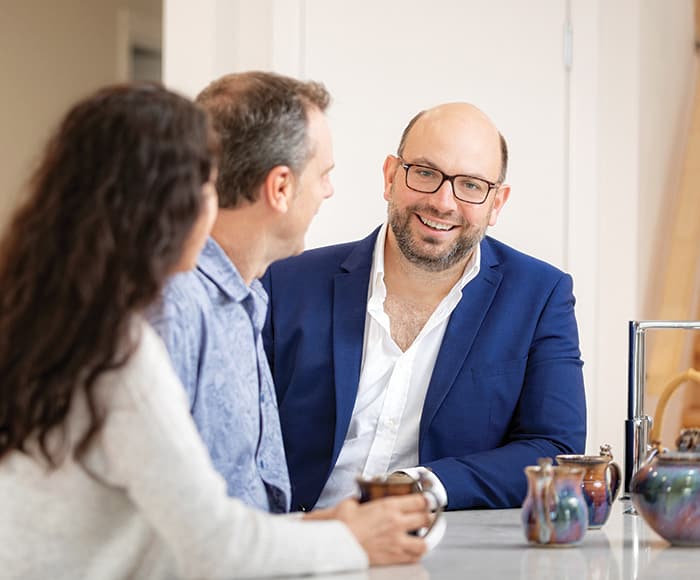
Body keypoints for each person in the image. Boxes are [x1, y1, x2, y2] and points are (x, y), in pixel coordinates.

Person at [0, 83, 430, 580]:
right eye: (207, 184)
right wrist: (347, 539)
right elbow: (209, 545)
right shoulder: (135, 339)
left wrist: (315, 532)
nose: (216, 204)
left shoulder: (84, 319)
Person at [262, 102, 587, 512]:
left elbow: (555, 450)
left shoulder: (540, 295)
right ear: (390, 177)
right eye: (426, 173)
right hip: (297, 543)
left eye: (471, 185)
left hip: (437, 554)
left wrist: (422, 485)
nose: (443, 202)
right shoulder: (287, 282)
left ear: (497, 203)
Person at [148, 71, 341, 512]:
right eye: (324, 174)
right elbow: (167, 519)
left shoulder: (247, 295)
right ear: (280, 188)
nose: (329, 191)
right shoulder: (173, 305)